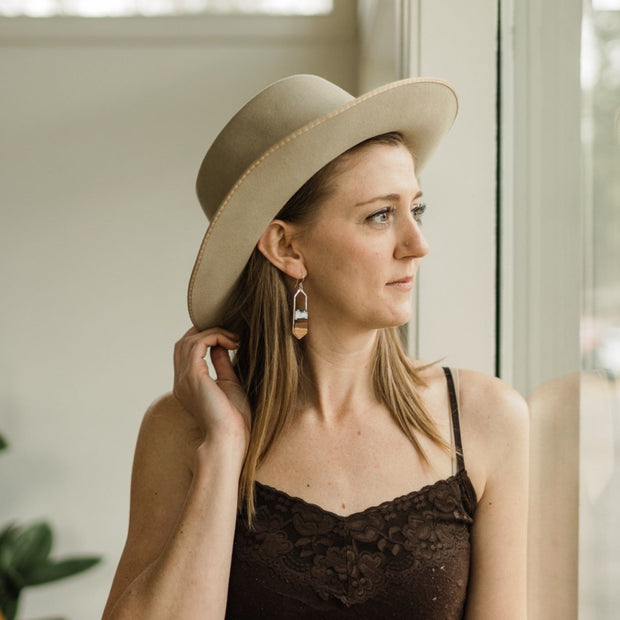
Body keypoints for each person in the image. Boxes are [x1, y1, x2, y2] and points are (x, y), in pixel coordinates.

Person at [102, 75, 529, 619]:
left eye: (415, 210)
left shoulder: (488, 419)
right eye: (380, 215)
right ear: (286, 246)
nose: (417, 245)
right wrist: (223, 452)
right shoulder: (182, 430)